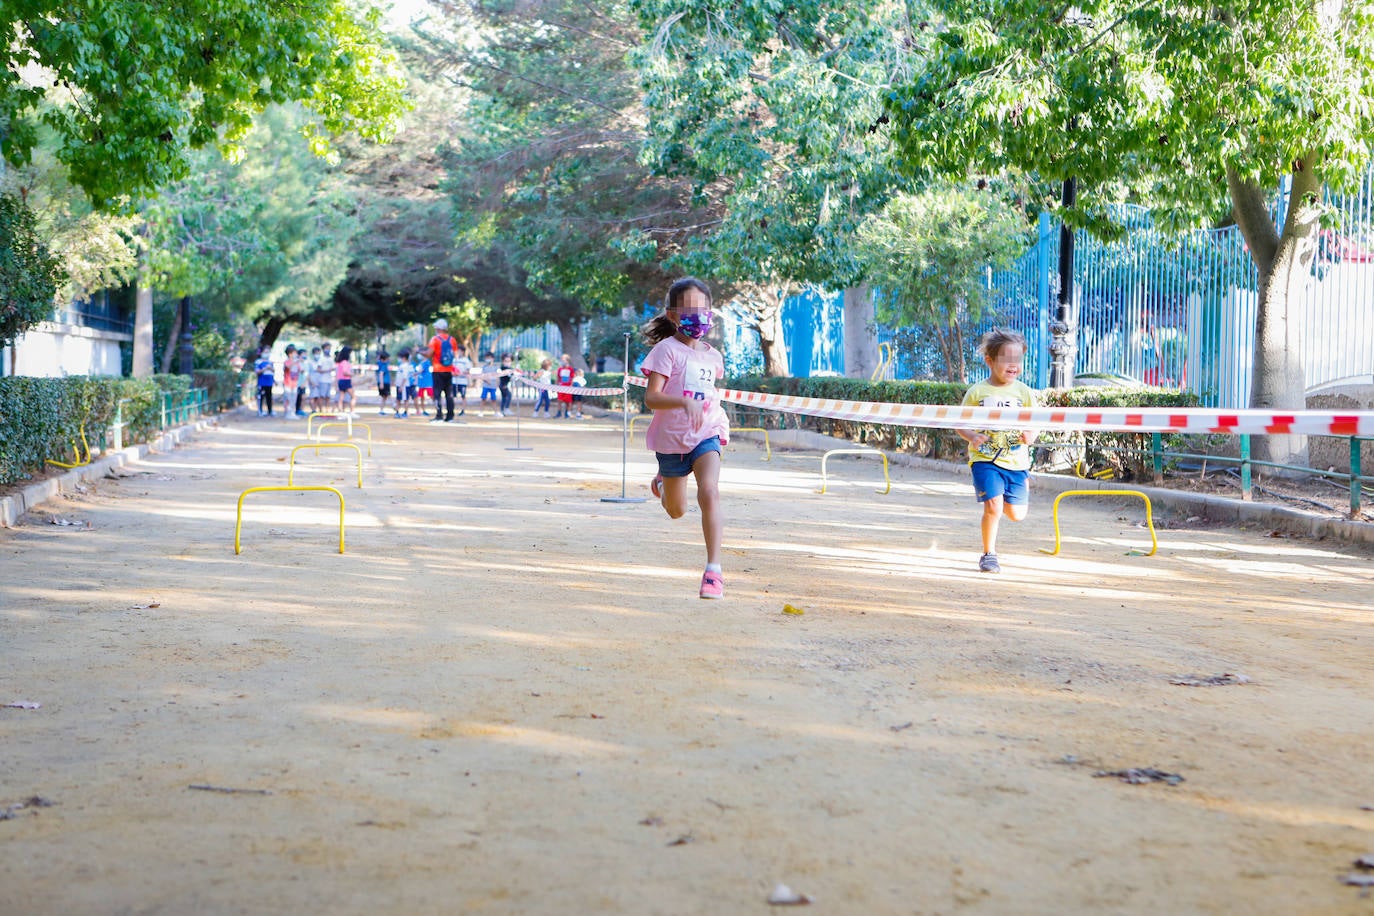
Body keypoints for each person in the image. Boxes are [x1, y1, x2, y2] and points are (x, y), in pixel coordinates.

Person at [641, 277, 730, 599]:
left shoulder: (713, 356)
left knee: (710, 491)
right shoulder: (666, 351)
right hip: (671, 439)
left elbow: (709, 392)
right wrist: (683, 401)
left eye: (703, 309)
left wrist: (702, 408)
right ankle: (664, 483)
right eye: (689, 310)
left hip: (708, 431)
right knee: (676, 510)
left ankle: (714, 571)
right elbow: (652, 398)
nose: (698, 315)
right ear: (673, 315)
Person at [955, 328, 1040, 574]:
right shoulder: (977, 392)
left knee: (1016, 514)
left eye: (1018, 360)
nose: (1014, 365)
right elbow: (960, 423)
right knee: (993, 507)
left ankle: (1014, 489)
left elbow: (1034, 422)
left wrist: (1030, 436)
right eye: (1007, 359)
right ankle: (988, 554)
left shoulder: (1024, 392)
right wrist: (972, 436)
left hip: (1016, 461)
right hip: (985, 459)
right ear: (990, 361)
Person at [427, 319, 458, 423]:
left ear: (438, 328)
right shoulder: (452, 340)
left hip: (437, 370)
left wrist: (419, 351)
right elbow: (454, 354)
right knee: (449, 395)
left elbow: (429, 354)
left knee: (437, 394)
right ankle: (450, 416)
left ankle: (439, 416)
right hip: (448, 370)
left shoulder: (435, 339)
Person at [253, 347, 275, 417]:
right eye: (265, 352)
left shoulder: (270, 362)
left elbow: (273, 371)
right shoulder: (258, 362)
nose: (267, 354)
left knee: (269, 397)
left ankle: (270, 411)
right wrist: (265, 368)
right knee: (261, 397)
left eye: (268, 352)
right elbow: (257, 372)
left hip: (269, 382)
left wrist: (270, 368)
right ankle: (260, 411)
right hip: (262, 382)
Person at [453, 344, 473, 417]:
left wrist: (460, 373)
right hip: (454, 381)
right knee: (453, 396)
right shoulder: (454, 360)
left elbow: (468, 371)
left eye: (459, 350)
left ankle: (463, 410)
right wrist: (453, 373)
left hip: (462, 381)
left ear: (462, 351)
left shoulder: (466, 360)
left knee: (463, 396)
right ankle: (452, 410)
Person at [553, 354, 576, 418]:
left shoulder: (570, 369)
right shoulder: (560, 369)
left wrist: (571, 386)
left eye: (563, 359)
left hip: (568, 387)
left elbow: (572, 378)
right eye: (562, 359)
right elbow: (558, 378)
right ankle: (559, 412)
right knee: (559, 400)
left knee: (568, 401)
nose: (562, 360)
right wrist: (556, 386)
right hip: (561, 387)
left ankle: (567, 413)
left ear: (567, 360)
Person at [280, 345, 299, 420]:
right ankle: (287, 412)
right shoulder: (287, 362)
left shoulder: (297, 362)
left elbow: (300, 370)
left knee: (293, 399)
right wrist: (294, 362)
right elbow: (288, 367)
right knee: (288, 398)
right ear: (290, 354)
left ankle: (292, 412)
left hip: (294, 383)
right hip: (287, 383)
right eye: (294, 353)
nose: (296, 354)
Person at [335, 346, 355, 412]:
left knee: (341, 397)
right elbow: (345, 372)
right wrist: (352, 374)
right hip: (345, 381)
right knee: (353, 397)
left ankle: (341, 412)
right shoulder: (345, 362)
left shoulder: (340, 362)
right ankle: (352, 412)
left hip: (341, 381)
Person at [415, 352, 433, 417]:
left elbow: (420, 371)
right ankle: (423, 410)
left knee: (432, 396)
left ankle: (438, 408)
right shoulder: (420, 363)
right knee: (421, 397)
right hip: (421, 383)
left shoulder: (427, 362)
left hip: (428, 382)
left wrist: (414, 374)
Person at [375, 350, 392, 415]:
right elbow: (381, 374)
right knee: (387, 396)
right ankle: (394, 407)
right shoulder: (384, 365)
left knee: (385, 397)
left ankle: (382, 410)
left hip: (384, 382)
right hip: (384, 382)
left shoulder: (380, 363)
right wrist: (382, 383)